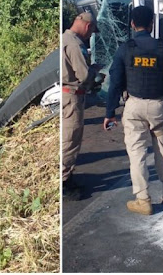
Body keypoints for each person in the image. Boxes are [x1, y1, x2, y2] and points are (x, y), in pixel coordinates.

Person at [103, 5, 163, 216]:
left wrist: (109, 112)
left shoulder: (125, 49)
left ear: (132, 24)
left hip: (133, 107)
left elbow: (115, 83)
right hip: (159, 108)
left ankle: (142, 199)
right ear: (152, 24)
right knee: (162, 150)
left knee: (136, 154)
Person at [62, 12, 102, 200]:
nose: (91, 35)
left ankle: (67, 177)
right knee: (70, 140)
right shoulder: (75, 44)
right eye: (92, 31)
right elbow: (84, 76)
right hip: (72, 97)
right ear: (88, 27)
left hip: (65, 95)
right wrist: (95, 70)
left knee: (68, 138)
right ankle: (64, 183)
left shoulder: (64, 38)